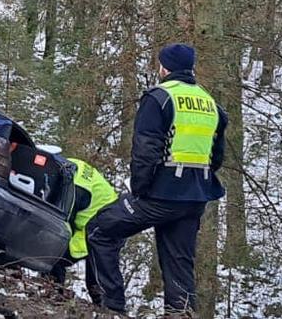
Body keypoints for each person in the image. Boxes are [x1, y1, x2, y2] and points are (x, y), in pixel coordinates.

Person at [86, 43, 228, 316]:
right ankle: (180, 313)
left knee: (100, 230)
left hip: (160, 195)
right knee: (179, 264)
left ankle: (110, 308)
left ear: (164, 67)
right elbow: (216, 158)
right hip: (196, 197)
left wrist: (140, 189)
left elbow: (145, 151)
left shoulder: (160, 97)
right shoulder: (211, 104)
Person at [49, 156, 118, 306]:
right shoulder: (69, 165)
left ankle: (53, 293)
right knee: (98, 277)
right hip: (108, 216)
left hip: (102, 228)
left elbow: (63, 225)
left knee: (54, 252)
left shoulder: (72, 190)